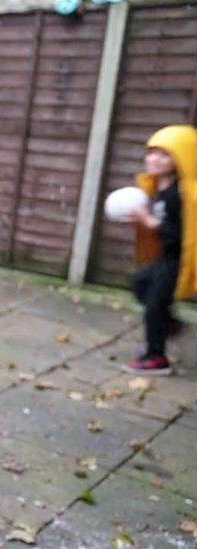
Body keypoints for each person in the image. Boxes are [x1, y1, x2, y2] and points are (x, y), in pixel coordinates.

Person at [125, 124, 197, 375]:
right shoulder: (157, 187)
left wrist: (150, 221)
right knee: (140, 285)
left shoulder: (183, 195)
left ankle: (156, 357)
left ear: (183, 157)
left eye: (164, 154)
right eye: (151, 152)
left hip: (179, 259)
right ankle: (170, 324)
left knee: (155, 306)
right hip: (165, 257)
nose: (154, 159)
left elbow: (183, 236)